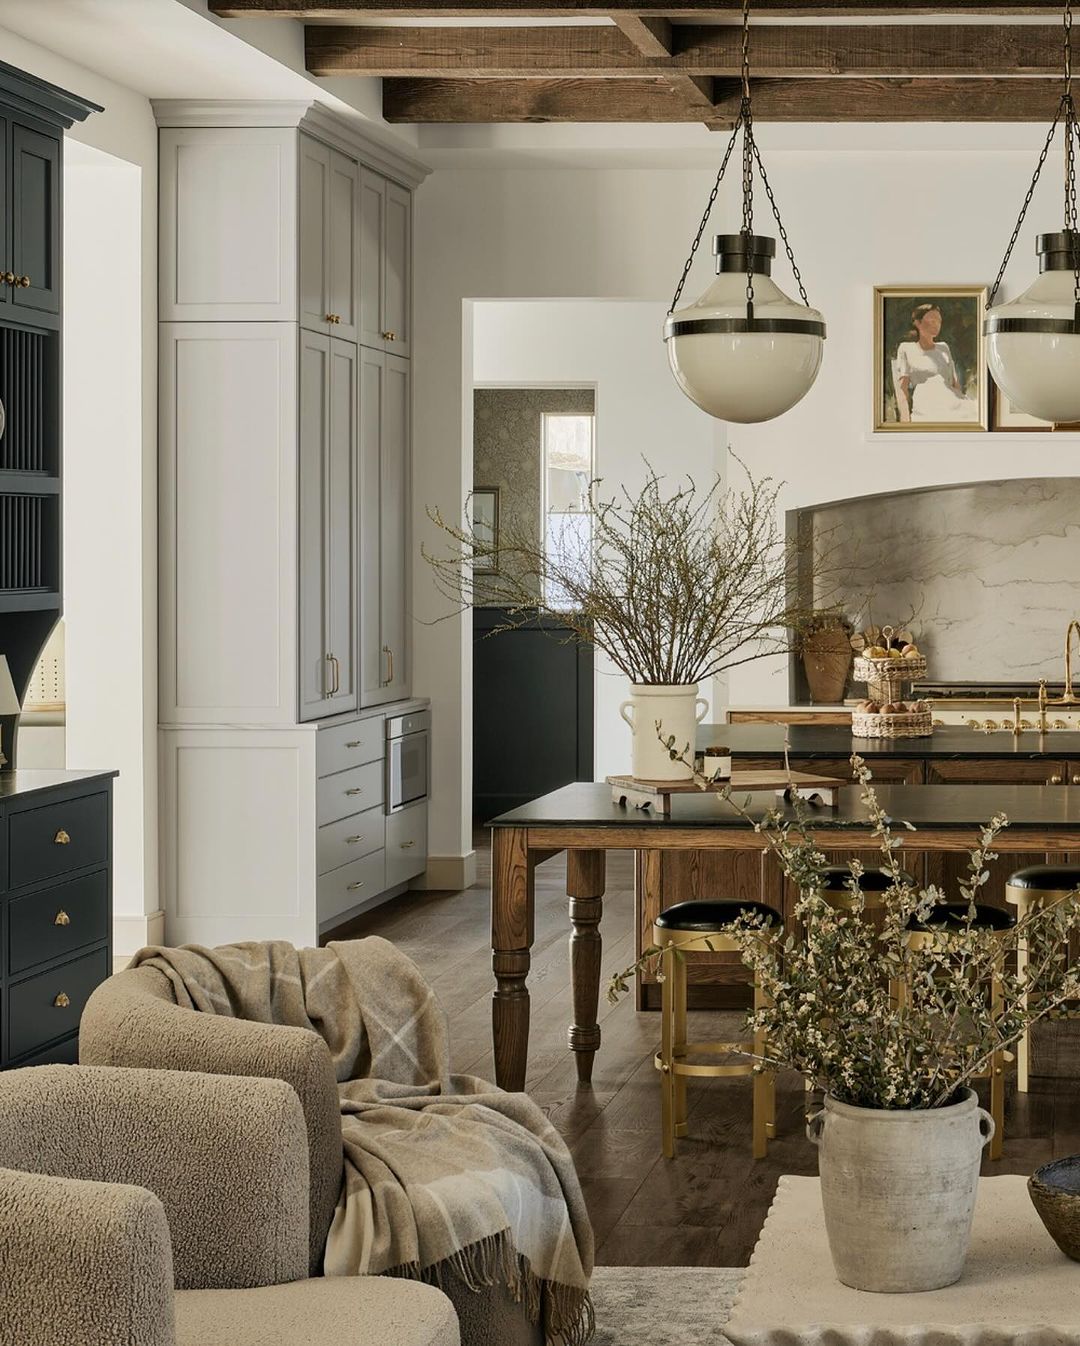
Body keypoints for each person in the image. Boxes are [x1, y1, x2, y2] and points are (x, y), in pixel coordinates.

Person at [894, 303, 975, 422]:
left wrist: (961, 400)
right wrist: (905, 418)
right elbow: (902, 389)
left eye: (939, 321)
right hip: (927, 404)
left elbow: (954, 383)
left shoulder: (944, 348)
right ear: (918, 323)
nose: (936, 324)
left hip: (951, 400)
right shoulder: (906, 349)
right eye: (932, 320)